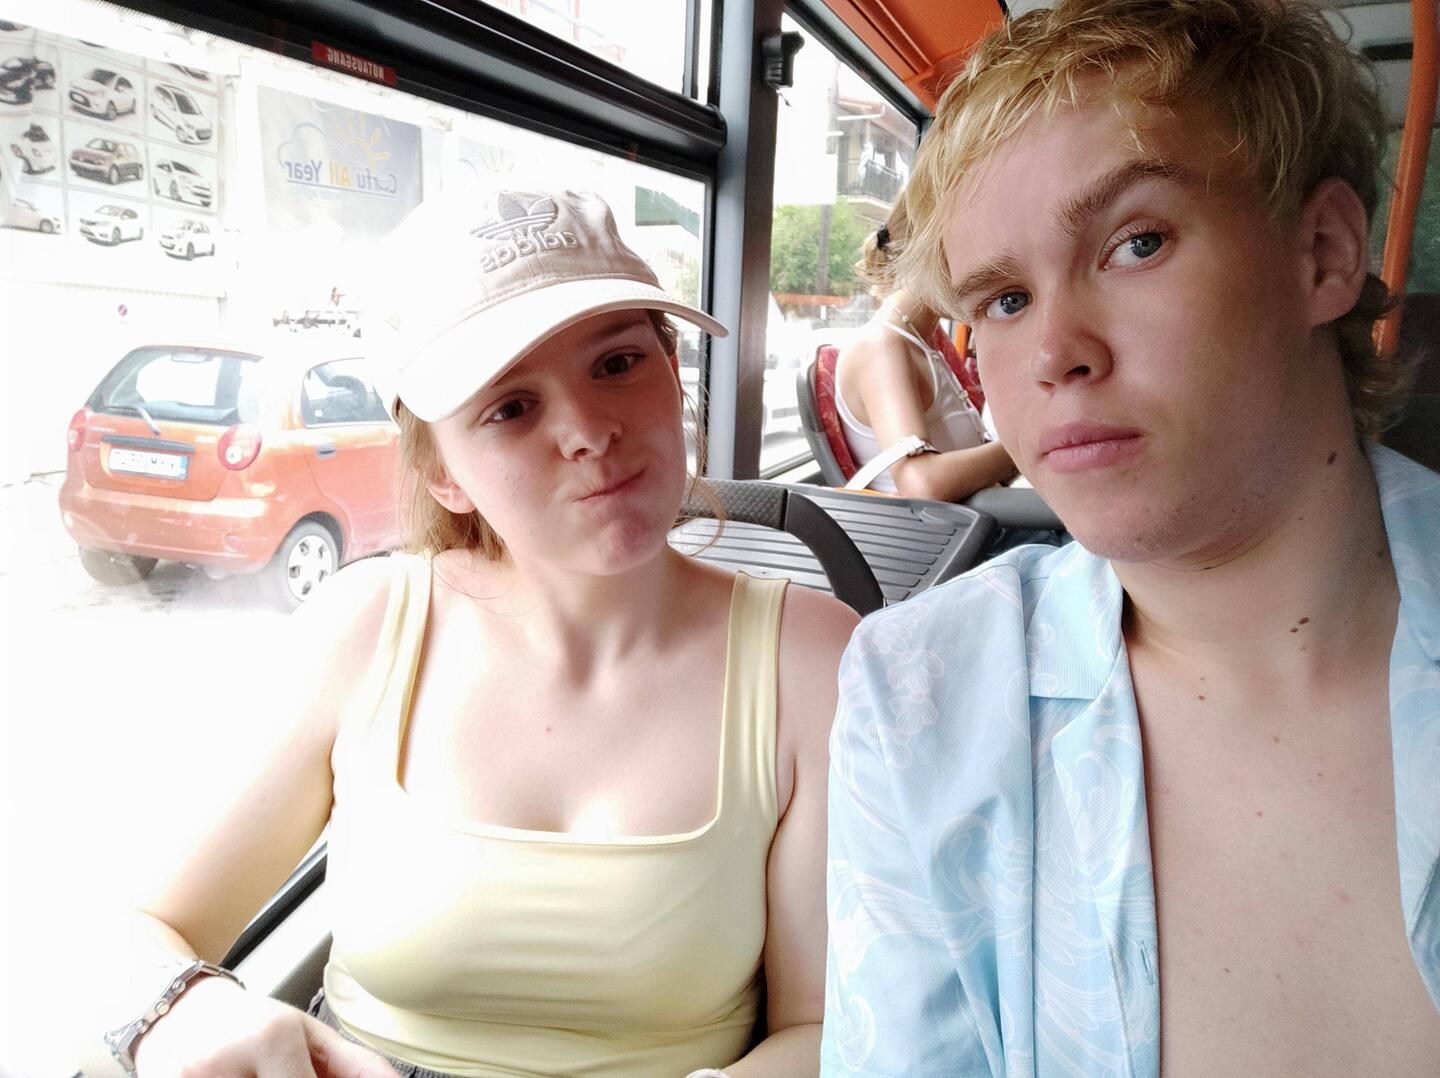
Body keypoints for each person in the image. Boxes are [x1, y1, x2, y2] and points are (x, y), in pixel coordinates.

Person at [104, 186, 857, 1077]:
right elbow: (142, 929)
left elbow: (822, 1026)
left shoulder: (813, 659)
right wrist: (183, 1009)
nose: (589, 431)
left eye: (617, 362)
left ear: (672, 374)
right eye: (510, 408)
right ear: (443, 474)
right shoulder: (366, 628)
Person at [822, 1, 1440, 1075]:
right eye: (1004, 300)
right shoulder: (922, 697)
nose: (1053, 351)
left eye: (1136, 243)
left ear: (1322, 253)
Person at [833, 203, 1017, 498]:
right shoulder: (881, 347)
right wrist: (1023, 448)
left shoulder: (926, 343)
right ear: (928, 255)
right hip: (951, 527)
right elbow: (921, 483)